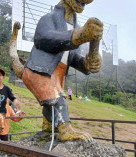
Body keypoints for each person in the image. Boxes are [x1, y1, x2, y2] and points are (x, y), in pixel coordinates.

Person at [9, 0, 103, 142]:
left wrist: (88, 64)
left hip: (57, 75)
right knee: (57, 99)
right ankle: (66, 130)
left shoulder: (76, 27)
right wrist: (78, 36)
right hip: (38, 70)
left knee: (52, 101)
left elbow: (71, 57)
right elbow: (43, 39)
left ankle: (47, 127)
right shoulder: (49, 18)